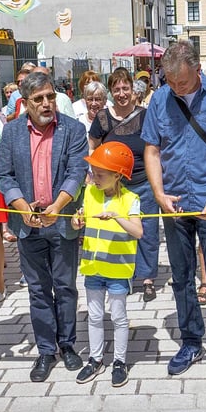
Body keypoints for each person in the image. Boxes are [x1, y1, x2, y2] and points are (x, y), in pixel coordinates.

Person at [141, 39, 206, 399]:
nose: (176, 88)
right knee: (182, 277)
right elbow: (152, 150)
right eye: (170, 81)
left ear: (197, 70)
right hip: (174, 202)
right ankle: (190, 340)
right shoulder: (158, 99)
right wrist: (158, 194)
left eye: (182, 82)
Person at [0, 71, 88, 382]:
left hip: (60, 220)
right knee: (38, 290)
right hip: (28, 224)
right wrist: (22, 208)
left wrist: (57, 207)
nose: (47, 103)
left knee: (65, 287)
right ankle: (46, 350)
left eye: (50, 96)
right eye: (39, 99)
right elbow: (5, 175)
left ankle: (69, 344)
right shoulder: (11, 133)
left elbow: (77, 171)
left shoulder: (73, 129)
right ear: (25, 103)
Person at [70, 142, 142, 387]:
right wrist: (76, 222)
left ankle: (120, 361)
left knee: (119, 317)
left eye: (100, 174)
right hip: (93, 267)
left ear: (117, 175)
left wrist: (117, 217)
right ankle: (95, 359)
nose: (94, 178)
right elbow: (76, 220)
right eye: (92, 172)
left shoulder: (131, 199)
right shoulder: (89, 193)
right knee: (94, 316)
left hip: (118, 270)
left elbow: (138, 231)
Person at [89, 68, 156, 300]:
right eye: (116, 89)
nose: (121, 93)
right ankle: (122, 275)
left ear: (133, 90)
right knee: (116, 230)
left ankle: (147, 278)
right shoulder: (102, 118)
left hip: (143, 182)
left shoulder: (146, 116)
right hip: (114, 186)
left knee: (146, 232)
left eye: (125, 88)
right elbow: (92, 147)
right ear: (110, 91)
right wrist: (94, 175)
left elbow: (155, 148)